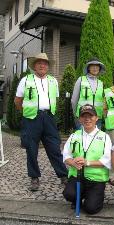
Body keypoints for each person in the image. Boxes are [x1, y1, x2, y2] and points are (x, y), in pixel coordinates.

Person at [14, 53, 68, 191]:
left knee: (54, 148)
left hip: (49, 118)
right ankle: (34, 178)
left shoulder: (53, 81)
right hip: (32, 119)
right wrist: (26, 113)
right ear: (34, 66)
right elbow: (18, 101)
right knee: (31, 149)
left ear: (48, 66)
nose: (42, 65)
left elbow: (55, 99)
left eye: (45, 63)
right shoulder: (25, 80)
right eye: (39, 63)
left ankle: (63, 175)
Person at [62, 104, 111, 214]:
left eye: (91, 116)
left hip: (96, 179)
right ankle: (78, 198)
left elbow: (106, 161)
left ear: (96, 118)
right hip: (78, 177)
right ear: (80, 119)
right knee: (69, 194)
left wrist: (87, 162)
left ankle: (94, 197)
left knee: (91, 209)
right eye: (84, 116)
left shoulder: (104, 137)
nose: (87, 119)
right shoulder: (74, 135)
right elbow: (66, 156)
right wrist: (73, 163)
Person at [71, 57, 105, 130]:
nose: (95, 68)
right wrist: (76, 115)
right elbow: (74, 100)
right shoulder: (81, 80)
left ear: (99, 68)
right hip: (83, 116)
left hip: (97, 118)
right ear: (88, 68)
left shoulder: (101, 83)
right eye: (92, 66)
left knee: (95, 140)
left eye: (97, 66)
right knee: (82, 140)